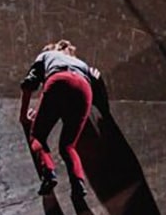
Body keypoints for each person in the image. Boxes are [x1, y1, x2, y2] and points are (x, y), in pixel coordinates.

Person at [20, 39, 105, 199]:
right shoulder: (83, 65)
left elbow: (28, 83)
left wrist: (23, 115)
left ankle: (49, 173)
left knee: (38, 136)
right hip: (84, 88)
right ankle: (78, 184)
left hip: (59, 81)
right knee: (68, 146)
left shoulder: (46, 55)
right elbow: (99, 89)